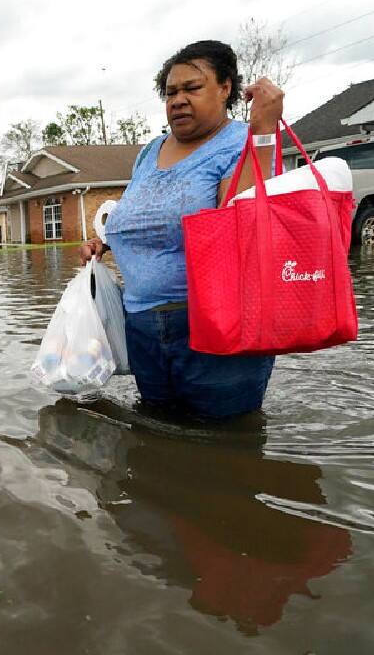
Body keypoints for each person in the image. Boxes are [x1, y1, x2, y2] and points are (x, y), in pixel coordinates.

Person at [79, 40, 284, 419]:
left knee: (225, 444)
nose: (177, 100)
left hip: (215, 324)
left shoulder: (242, 141)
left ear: (226, 89)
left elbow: (243, 225)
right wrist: (105, 242)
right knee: (157, 434)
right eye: (171, 92)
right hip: (142, 326)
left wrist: (264, 131)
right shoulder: (150, 150)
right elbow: (142, 215)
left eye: (192, 88)